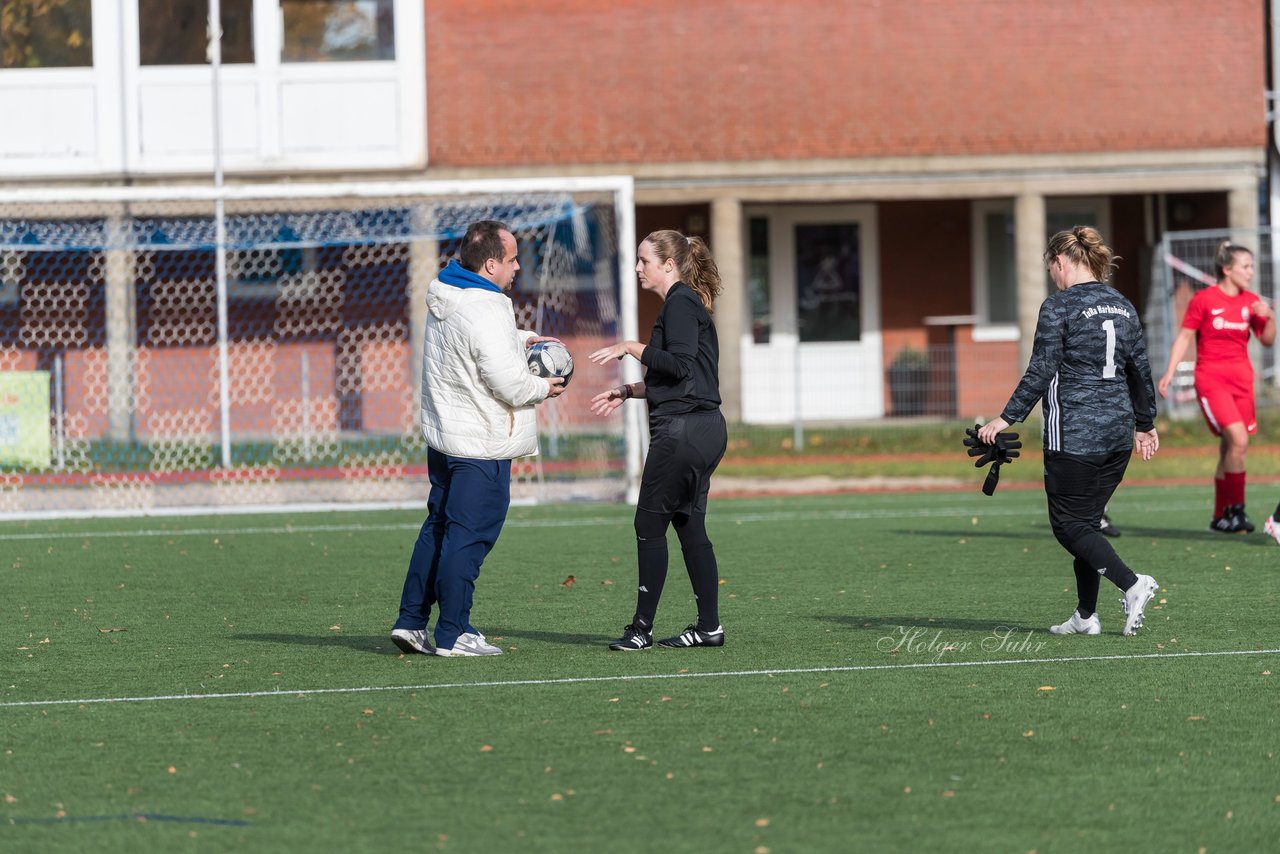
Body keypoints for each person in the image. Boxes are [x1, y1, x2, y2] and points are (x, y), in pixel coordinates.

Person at [391, 220, 566, 657]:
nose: (518, 267)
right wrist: (544, 387)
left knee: (438, 528)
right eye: (511, 260)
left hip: (447, 439)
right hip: (482, 444)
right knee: (468, 538)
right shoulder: (487, 307)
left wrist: (526, 338)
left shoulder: (448, 292)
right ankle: (453, 633)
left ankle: (412, 621)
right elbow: (508, 383)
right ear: (490, 264)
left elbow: (473, 344)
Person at [979, 226, 1160, 637]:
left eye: (1050, 268)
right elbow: (1140, 370)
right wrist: (1145, 422)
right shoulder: (1123, 305)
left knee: (1069, 525)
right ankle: (1085, 616)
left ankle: (1132, 584)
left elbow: (1041, 369)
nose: (1051, 277)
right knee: (1088, 522)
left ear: (1059, 261)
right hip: (1117, 435)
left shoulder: (1058, 306)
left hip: (1075, 432)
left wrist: (1005, 418)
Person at [588, 229, 728, 651]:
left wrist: (631, 347)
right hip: (704, 427)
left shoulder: (681, 302)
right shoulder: (685, 304)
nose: (637, 268)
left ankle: (640, 631)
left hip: (684, 431)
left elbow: (681, 365)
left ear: (668, 265)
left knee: (648, 524)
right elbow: (685, 377)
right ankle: (709, 628)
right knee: (687, 525)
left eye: (643, 261)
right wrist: (629, 392)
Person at [1157, 241, 1276, 533]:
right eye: (1245, 267)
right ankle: (1236, 512)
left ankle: (1219, 516)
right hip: (1211, 379)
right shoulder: (1205, 299)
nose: (1250, 272)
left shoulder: (1251, 301)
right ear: (1227, 269)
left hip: (1242, 381)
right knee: (1239, 441)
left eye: (1251, 267)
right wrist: (1169, 371)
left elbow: (1267, 339)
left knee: (1229, 447)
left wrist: (1269, 316)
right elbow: (1185, 337)